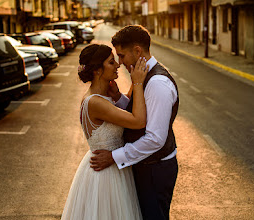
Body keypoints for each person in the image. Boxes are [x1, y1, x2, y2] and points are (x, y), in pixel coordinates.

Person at [90, 25, 179, 220]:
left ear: (137, 51)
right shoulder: (141, 75)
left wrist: (114, 156)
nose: (119, 63)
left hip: (155, 169)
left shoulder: (157, 84)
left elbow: (155, 139)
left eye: (121, 56)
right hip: (145, 165)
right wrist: (120, 98)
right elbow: (142, 112)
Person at [61, 43, 149, 220]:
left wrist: (117, 96)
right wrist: (137, 83)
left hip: (113, 167)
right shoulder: (95, 102)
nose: (118, 65)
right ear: (97, 70)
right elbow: (138, 121)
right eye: (111, 62)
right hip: (106, 175)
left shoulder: (104, 98)